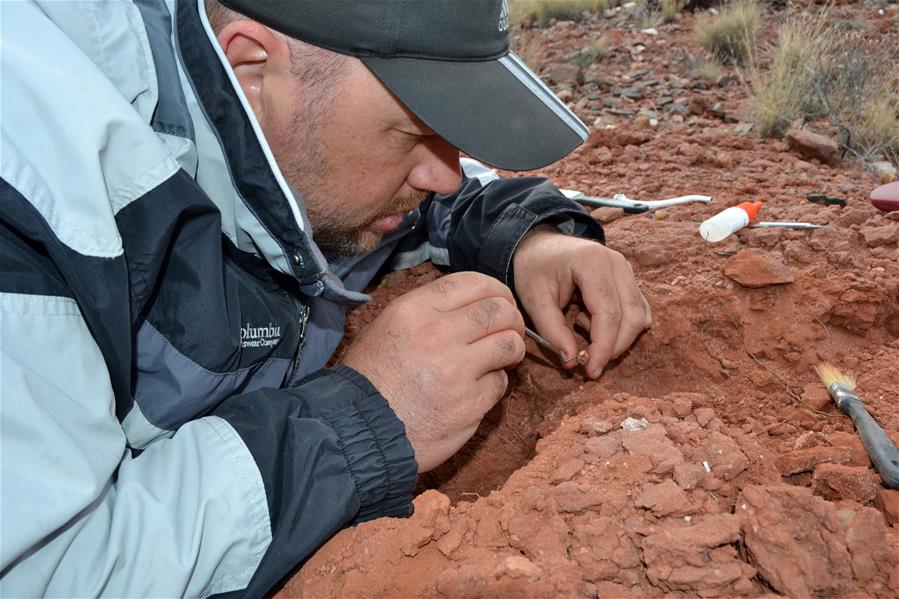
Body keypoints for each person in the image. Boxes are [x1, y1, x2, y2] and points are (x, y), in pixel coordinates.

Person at [0, 0, 651, 596]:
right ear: (252, 69)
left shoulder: (298, 129)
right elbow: (49, 570)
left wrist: (531, 239)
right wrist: (364, 418)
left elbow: (444, 195)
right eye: (412, 133)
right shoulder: (35, 192)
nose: (443, 172)